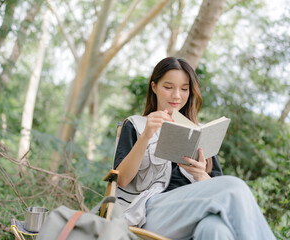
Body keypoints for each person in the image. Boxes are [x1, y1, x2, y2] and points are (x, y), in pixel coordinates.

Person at [113, 57, 276, 240]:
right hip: (148, 214)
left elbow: (216, 185)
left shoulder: (199, 132)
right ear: (154, 87)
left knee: (215, 229)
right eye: (168, 87)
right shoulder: (136, 125)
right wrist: (147, 136)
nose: (176, 95)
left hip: (192, 214)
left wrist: (200, 175)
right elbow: (122, 180)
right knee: (234, 187)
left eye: (184, 89)